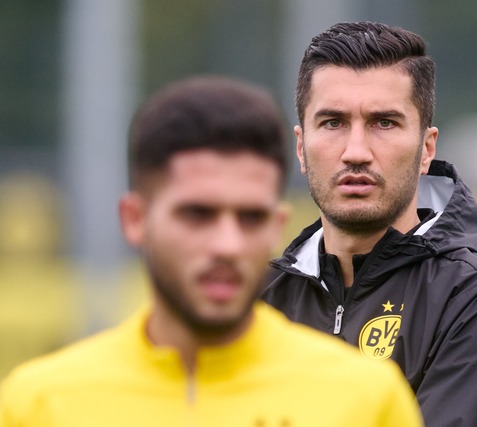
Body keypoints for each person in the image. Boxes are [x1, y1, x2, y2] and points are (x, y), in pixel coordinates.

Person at [0, 76, 424, 427]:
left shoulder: (367, 401)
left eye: (250, 217)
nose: (228, 245)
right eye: (197, 215)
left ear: (277, 226)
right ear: (135, 219)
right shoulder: (39, 405)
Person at [261, 21, 477, 426]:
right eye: (333, 123)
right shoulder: (258, 305)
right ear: (301, 147)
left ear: (427, 149)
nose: (355, 151)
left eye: (384, 123)